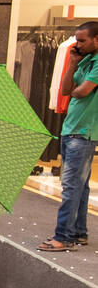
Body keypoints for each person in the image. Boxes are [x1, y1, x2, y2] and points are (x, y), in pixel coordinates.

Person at [39, 21, 98, 252]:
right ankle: (78, 233)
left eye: (82, 40)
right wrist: (72, 63)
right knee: (80, 186)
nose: (77, 44)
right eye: (76, 40)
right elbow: (65, 90)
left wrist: (78, 90)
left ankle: (63, 237)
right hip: (72, 129)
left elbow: (82, 92)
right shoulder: (83, 60)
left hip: (83, 132)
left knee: (71, 186)